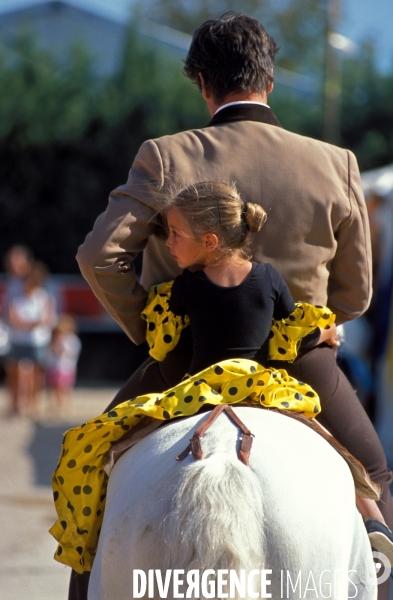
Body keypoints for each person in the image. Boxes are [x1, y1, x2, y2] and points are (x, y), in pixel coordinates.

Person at [72, 12, 393, 599]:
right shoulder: (335, 162)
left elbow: (100, 256)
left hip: (188, 362)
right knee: (374, 474)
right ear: (268, 79)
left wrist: (153, 331)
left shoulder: (166, 156)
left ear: (202, 82)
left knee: (93, 468)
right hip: (301, 365)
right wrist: (315, 327)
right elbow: (355, 293)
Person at [6, 261, 57, 416]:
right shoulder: (17, 298)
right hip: (18, 340)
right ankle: (17, 403)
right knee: (15, 373)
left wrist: (27, 323)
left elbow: (47, 319)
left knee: (36, 375)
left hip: (37, 342)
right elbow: (14, 319)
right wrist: (32, 323)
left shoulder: (44, 297)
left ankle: (33, 404)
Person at [46, 314, 81, 416]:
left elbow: (71, 353)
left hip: (66, 368)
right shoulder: (55, 339)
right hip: (55, 368)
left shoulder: (72, 340)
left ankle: (64, 407)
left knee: (64, 389)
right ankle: (55, 406)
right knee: (54, 388)